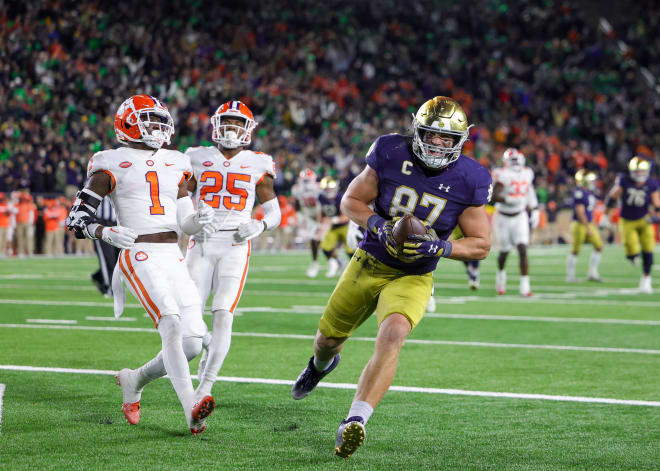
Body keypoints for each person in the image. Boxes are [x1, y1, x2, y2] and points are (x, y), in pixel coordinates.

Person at [290, 96, 492, 459]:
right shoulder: (390, 151)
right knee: (327, 341)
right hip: (369, 260)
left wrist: (441, 248)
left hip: (414, 275)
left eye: (446, 139)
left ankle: (355, 420)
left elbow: (480, 245)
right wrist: (378, 224)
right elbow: (351, 201)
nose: (437, 145)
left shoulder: (471, 178)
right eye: (431, 135)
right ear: (417, 132)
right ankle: (320, 366)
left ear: (460, 141)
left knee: (394, 332)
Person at [65, 94, 216, 434]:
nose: (158, 127)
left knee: (193, 340)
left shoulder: (177, 161)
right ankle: (192, 408)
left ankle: (134, 380)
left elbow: (185, 222)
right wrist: (104, 231)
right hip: (139, 253)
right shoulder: (111, 161)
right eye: (149, 119)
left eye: (161, 120)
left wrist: (200, 219)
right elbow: (76, 218)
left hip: (173, 255)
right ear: (127, 123)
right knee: (172, 325)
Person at [184, 100, 280, 424]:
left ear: (248, 130)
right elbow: (181, 200)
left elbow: (274, 211)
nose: (231, 128)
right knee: (191, 327)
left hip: (236, 244)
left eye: (238, 123)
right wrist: (194, 216)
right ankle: (208, 345)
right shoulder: (195, 156)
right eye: (226, 121)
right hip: (201, 241)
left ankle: (204, 389)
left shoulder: (258, 163)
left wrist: (261, 225)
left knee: (223, 313)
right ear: (214, 124)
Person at [605, 156, 660, 293]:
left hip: (644, 219)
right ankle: (632, 256)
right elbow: (612, 197)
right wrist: (606, 215)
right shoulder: (624, 181)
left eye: (642, 171)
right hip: (627, 220)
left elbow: (657, 203)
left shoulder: (652, 184)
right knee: (632, 251)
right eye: (638, 171)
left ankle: (646, 280)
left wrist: (657, 217)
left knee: (648, 249)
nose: (640, 174)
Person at [491, 148, 539, 296]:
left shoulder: (528, 173)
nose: (516, 163)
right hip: (503, 216)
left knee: (523, 248)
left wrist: (535, 208)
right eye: (513, 160)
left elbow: (529, 190)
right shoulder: (502, 174)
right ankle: (501, 276)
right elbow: (493, 196)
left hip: (520, 216)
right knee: (504, 252)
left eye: (517, 160)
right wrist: (509, 199)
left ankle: (525, 286)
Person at [566, 169, 603, 282]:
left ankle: (593, 272)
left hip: (588, 223)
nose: (593, 183)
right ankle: (570, 275)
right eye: (590, 181)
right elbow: (580, 211)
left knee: (599, 246)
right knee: (576, 250)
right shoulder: (579, 193)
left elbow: (589, 211)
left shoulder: (589, 193)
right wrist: (587, 227)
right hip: (580, 224)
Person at [291, 168, 322, 277]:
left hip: (322, 216)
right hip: (309, 216)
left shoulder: (319, 188)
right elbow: (296, 203)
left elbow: (325, 203)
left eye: (308, 181)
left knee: (324, 242)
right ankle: (315, 262)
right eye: (304, 181)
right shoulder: (296, 189)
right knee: (313, 238)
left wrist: (320, 219)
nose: (306, 184)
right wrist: (299, 215)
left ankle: (336, 261)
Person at [90, 196, 121, 297]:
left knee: (118, 258)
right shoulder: (97, 181)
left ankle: (99, 276)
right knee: (107, 257)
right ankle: (109, 288)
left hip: (117, 224)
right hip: (101, 224)